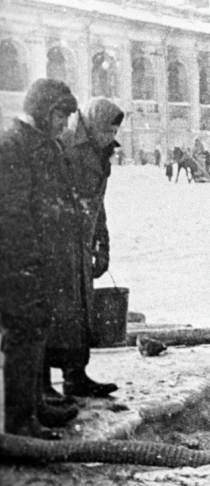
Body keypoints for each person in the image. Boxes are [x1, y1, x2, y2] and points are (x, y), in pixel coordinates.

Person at [0, 79, 80, 439]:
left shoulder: (37, 144)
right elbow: (12, 213)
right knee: (23, 334)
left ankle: (33, 406)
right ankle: (20, 420)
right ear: (48, 112)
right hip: (19, 261)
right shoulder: (14, 145)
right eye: (63, 117)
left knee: (37, 329)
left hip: (39, 259)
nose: (66, 125)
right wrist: (26, 261)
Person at [44, 97, 123, 403]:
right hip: (58, 242)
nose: (112, 135)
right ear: (93, 124)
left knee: (81, 311)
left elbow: (98, 203)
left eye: (115, 130)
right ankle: (45, 385)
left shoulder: (101, 151)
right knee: (58, 312)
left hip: (82, 242)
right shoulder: (65, 146)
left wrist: (102, 242)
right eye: (109, 128)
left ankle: (76, 376)